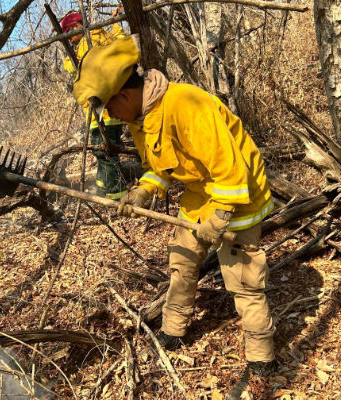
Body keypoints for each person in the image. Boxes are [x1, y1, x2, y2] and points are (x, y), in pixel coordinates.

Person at [71, 36, 276, 400]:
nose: (110, 117)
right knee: (182, 262)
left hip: (239, 193)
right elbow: (161, 167)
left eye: (110, 107)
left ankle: (262, 358)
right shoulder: (142, 117)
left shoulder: (186, 104)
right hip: (201, 192)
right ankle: (173, 329)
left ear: (124, 95)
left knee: (243, 281)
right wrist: (142, 191)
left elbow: (230, 166)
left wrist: (220, 217)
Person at [60, 10, 129, 199]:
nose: (69, 40)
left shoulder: (86, 45)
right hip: (115, 107)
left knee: (106, 154)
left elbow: (79, 74)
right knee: (102, 154)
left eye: (69, 34)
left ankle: (117, 196)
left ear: (76, 27)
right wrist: (115, 23)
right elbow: (121, 41)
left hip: (102, 112)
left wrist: (69, 62)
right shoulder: (103, 35)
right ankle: (102, 190)